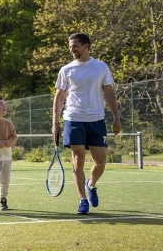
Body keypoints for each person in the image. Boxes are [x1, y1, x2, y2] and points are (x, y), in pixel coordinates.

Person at [52, 32, 122, 215]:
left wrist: (116, 117)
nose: (72, 50)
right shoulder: (66, 70)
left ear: (86, 46)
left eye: (75, 46)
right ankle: (82, 200)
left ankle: (90, 184)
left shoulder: (101, 67)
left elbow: (109, 93)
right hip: (73, 119)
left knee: (100, 162)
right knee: (78, 159)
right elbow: (59, 98)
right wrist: (55, 122)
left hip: (96, 120)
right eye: (70, 47)